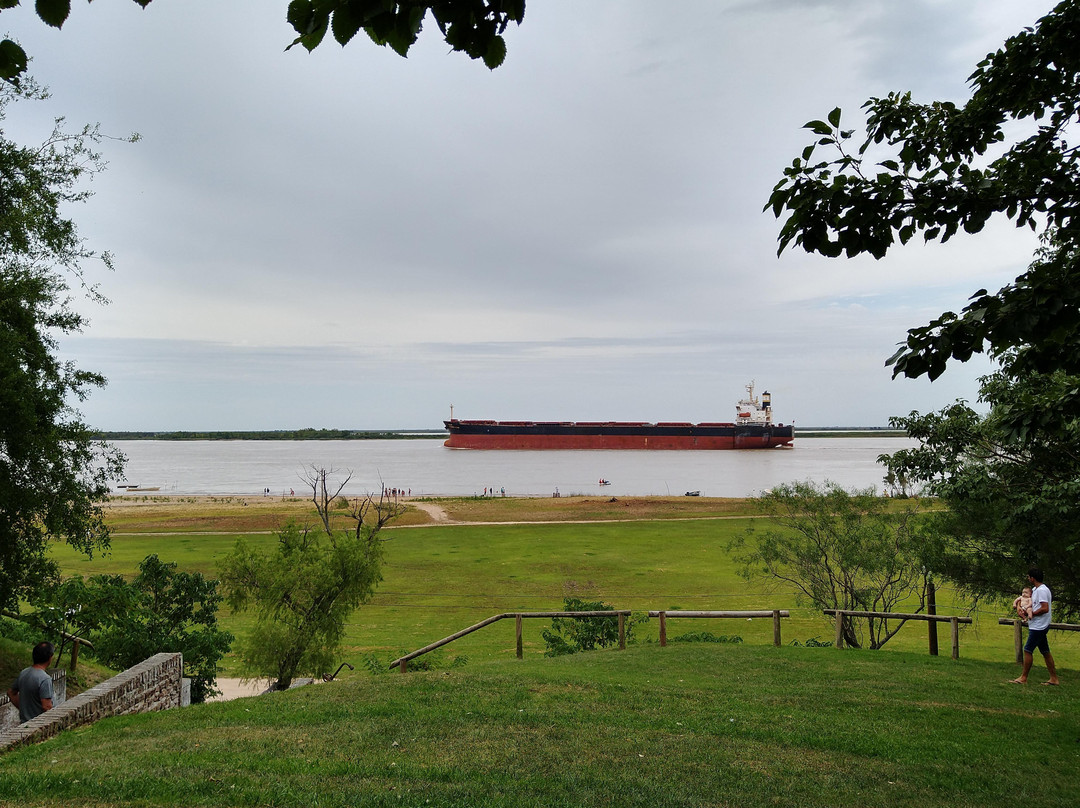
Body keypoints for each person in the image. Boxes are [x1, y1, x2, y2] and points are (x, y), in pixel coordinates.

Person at [1010, 568, 1060, 685]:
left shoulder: (1042, 591)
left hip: (1039, 626)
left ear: (1033, 578)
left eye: (1029, 577)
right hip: (1037, 625)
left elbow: (1044, 608)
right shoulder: (1035, 590)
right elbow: (1023, 599)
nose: (1028, 579)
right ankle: (1054, 679)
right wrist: (1019, 608)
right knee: (1045, 651)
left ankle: (1023, 677)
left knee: (1027, 650)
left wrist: (1030, 613)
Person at [7, 641, 55, 722]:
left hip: (24, 723)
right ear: (50, 657)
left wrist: (23, 709)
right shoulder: (45, 679)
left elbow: (10, 692)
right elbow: (47, 706)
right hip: (39, 726)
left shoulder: (24, 673)